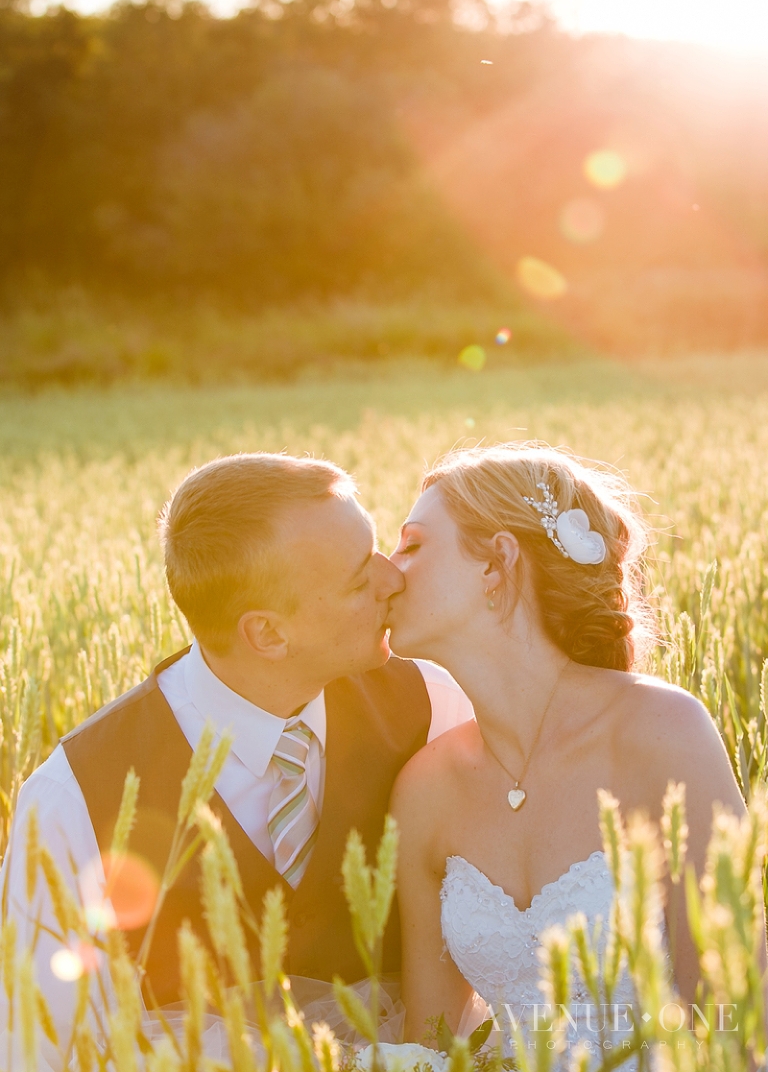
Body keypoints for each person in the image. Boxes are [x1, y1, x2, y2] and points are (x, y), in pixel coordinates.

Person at [0, 452, 473, 1068]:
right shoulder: (73, 797)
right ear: (268, 635)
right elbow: (40, 1048)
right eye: (360, 579)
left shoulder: (433, 706)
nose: (393, 580)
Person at [387, 443, 749, 1061]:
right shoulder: (425, 788)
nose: (387, 570)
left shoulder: (664, 734)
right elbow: (430, 1044)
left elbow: (735, 1010)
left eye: (413, 545)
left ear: (496, 564)